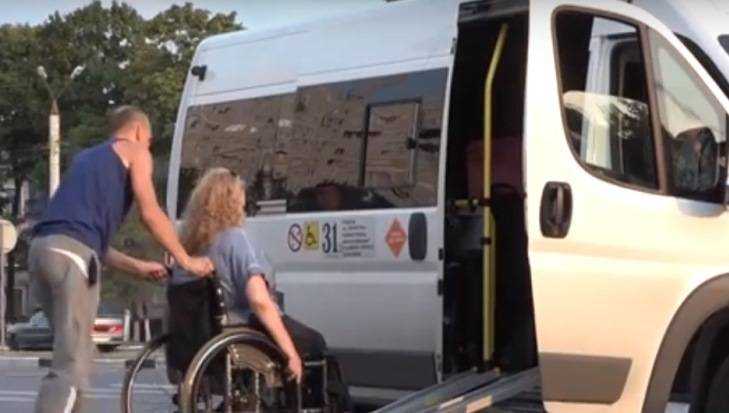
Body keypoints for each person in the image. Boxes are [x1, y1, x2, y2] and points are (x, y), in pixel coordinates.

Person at [28, 105, 214, 413]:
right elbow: (150, 213)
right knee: (70, 364)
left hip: (41, 252)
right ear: (139, 131)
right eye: (149, 140)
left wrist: (138, 267)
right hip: (71, 258)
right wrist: (186, 259)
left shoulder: (85, 159)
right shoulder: (135, 151)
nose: (148, 147)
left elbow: (89, 242)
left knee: (79, 355)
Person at [171, 167, 350, 408]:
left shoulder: (190, 247)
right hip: (240, 327)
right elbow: (259, 301)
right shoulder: (235, 239)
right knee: (315, 343)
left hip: (201, 334)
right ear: (233, 201)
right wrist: (290, 353)